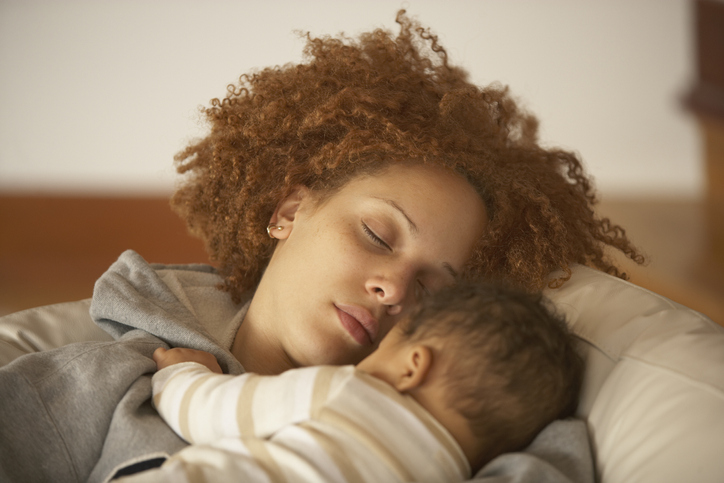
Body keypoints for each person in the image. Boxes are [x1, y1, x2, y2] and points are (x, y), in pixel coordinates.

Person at [0, 9, 637, 483]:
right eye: (377, 234)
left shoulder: (481, 438)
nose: (393, 289)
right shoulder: (109, 385)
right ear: (290, 210)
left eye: (432, 290)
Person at [118, 282, 582, 483]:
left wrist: (180, 372)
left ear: (412, 365)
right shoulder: (453, 474)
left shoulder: (345, 391)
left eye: (388, 344)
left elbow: (211, 412)